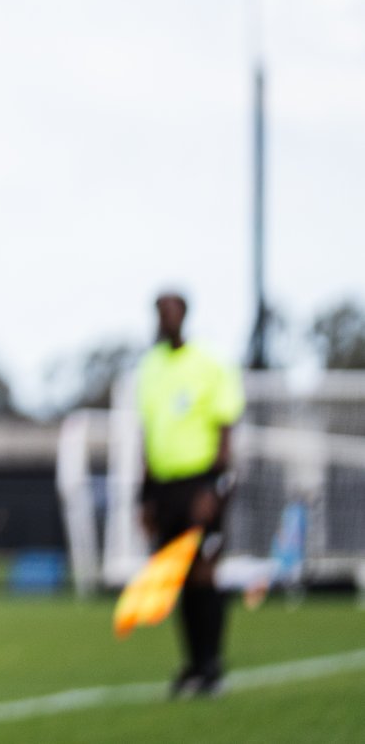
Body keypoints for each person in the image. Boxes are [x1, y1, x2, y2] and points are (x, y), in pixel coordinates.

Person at [138, 289, 245, 697]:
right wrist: (144, 496)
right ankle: (192, 665)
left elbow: (225, 429)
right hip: (164, 488)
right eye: (159, 311)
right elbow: (148, 435)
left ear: (184, 315)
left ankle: (212, 664)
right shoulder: (149, 368)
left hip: (201, 483)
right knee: (177, 576)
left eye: (171, 310)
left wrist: (213, 487)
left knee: (204, 572)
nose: (165, 318)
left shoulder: (209, 363)